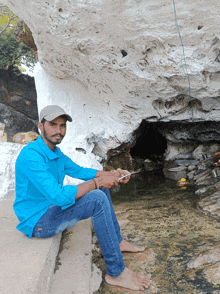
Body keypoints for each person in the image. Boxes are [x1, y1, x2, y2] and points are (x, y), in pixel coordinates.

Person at [14, 105, 151, 291]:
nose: (59, 130)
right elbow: (59, 197)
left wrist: (113, 175)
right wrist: (97, 182)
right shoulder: (31, 156)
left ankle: (117, 242)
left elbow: (80, 171)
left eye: (62, 126)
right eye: (53, 125)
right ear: (40, 126)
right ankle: (116, 273)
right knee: (96, 197)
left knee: (101, 191)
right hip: (38, 220)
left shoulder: (54, 152)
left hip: (51, 207)